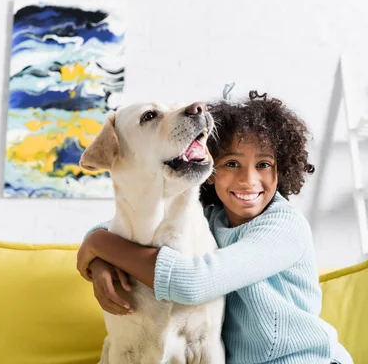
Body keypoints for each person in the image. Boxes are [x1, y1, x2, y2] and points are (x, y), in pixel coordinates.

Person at [77, 91, 353, 363]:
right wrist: (99, 254)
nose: (249, 179)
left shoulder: (284, 227)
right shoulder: (213, 219)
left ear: (281, 169)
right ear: (210, 170)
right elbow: (124, 225)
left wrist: (99, 246)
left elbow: (193, 283)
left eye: (264, 164)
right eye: (232, 163)